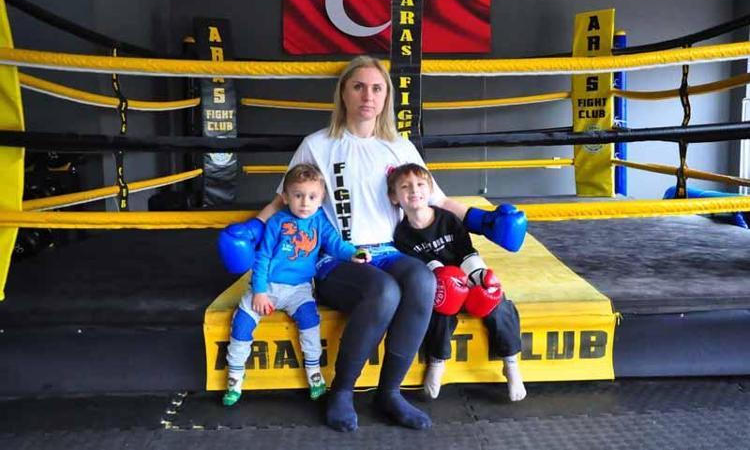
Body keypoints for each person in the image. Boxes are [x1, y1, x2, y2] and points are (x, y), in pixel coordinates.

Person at [218, 55, 526, 432]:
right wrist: (253, 228)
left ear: (386, 97)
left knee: (423, 281)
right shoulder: (318, 145)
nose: (368, 96)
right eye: (359, 87)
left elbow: (438, 200)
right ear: (343, 94)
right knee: (383, 292)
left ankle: (390, 393)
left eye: (377, 88)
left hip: (389, 251)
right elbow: (284, 200)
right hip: (335, 258)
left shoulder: (400, 146)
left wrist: (484, 221)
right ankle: (342, 392)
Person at [221, 163, 370, 407]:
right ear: (286, 197)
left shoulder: (320, 221)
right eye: (298, 195)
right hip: (268, 285)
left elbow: (335, 243)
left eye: (312, 197)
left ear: (321, 199)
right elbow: (262, 257)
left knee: (310, 322)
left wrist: (353, 253)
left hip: (299, 289)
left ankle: (314, 374)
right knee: (242, 323)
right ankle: (235, 377)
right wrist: (259, 292)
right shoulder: (277, 222)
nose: (304, 203)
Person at [388, 163, 526, 402]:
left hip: (467, 274)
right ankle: (437, 362)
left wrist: (479, 276)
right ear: (394, 197)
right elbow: (419, 264)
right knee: (439, 313)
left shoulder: (448, 220)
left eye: (420, 185)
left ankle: (511, 363)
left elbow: (466, 252)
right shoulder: (401, 235)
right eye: (405, 187)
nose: (414, 190)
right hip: (440, 284)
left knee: (497, 302)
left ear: (430, 190)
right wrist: (443, 278)